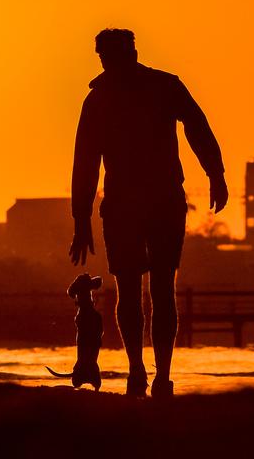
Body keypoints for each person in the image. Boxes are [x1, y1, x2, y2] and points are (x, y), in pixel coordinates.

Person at [69, 28, 227, 398]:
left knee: (157, 287)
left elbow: (196, 125)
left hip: (157, 200)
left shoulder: (159, 87)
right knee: (138, 287)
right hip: (135, 202)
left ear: (131, 53)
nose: (113, 63)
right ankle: (143, 373)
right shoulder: (103, 99)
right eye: (108, 57)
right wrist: (80, 219)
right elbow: (86, 162)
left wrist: (215, 173)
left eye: (116, 56)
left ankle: (157, 375)